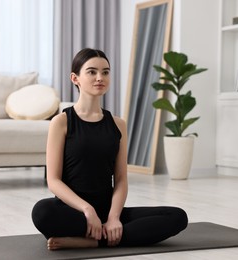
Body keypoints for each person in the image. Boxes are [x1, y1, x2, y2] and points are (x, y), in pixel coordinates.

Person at [32, 48, 188, 250]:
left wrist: (114, 217)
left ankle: (92, 241)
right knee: (42, 212)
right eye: (91, 72)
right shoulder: (61, 122)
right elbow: (53, 181)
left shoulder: (118, 124)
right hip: (74, 210)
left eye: (105, 72)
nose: (100, 77)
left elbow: (121, 179)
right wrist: (88, 211)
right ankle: (104, 236)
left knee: (177, 217)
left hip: (108, 210)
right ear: (75, 78)